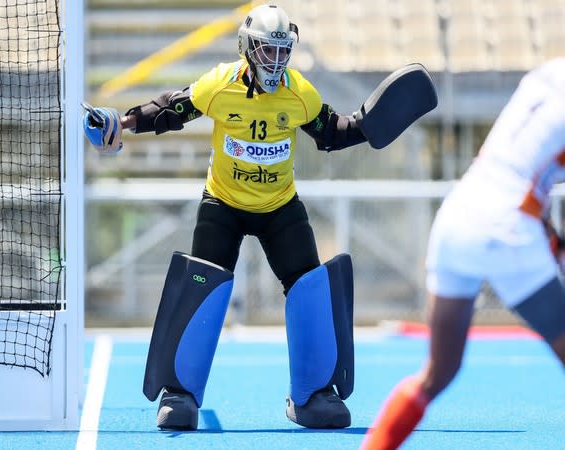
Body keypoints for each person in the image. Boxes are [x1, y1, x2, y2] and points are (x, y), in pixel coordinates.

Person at [83, 4, 436, 432]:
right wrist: (120, 123)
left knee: (309, 285)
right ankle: (179, 393)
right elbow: (171, 109)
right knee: (202, 287)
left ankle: (313, 394)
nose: (276, 61)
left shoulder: (298, 92)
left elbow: (332, 132)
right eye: (267, 51)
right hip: (223, 204)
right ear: (248, 50)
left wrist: (367, 124)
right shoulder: (220, 85)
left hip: (279, 207)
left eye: (282, 52)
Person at [359, 57, 565, 450]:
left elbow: (524, 166)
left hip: (458, 215)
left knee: (438, 374)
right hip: (507, 226)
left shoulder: (545, 75)